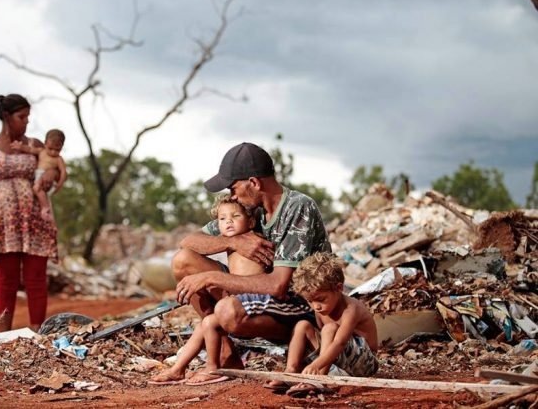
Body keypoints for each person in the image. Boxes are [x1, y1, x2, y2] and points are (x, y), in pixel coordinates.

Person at [172, 142, 332, 380]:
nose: (231, 196)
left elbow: (278, 285)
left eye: (234, 188)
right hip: (259, 300)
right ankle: (228, 356)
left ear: (255, 183)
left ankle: (242, 325)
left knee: (226, 311)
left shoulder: (298, 208)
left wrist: (211, 277)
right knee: (183, 261)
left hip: (299, 308)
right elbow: (189, 241)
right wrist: (232, 242)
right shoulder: (248, 209)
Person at [0, 94, 58, 332]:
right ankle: (2, 337)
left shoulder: (35, 145)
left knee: (36, 279)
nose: (26, 121)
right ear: (7, 117)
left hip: (35, 221)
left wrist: (50, 175)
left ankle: (38, 334)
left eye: (28, 116)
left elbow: (54, 167)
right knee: (6, 281)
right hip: (3, 225)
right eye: (21, 117)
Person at [150, 195, 263, 385]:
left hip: (250, 303)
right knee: (204, 325)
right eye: (222, 219)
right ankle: (179, 368)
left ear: (251, 221)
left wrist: (218, 289)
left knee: (208, 323)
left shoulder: (252, 241)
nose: (228, 222)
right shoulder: (232, 238)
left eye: (235, 216)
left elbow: (249, 284)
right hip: (235, 296)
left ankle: (212, 367)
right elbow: (187, 242)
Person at [267, 251, 379, 396]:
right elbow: (325, 343)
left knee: (329, 328)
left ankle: (319, 379)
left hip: (365, 364)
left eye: (321, 299)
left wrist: (316, 364)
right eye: (310, 301)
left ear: (339, 288)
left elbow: (339, 342)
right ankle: (291, 372)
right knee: (303, 325)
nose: (316, 306)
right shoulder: (320, 310)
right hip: (338, 361)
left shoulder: (351, 309)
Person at [10, 129, 67, 221]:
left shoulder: (59, 159)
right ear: (45, 143)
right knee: (37, 190)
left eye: (57, 150)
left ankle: (45, 207)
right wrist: (20, 147)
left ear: (62, 147)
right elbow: (30, 149)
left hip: (46, 178)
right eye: (50, 148)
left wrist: (60, 184)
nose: (53, 152)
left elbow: (63, 172)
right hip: (38, 175)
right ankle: (43, 207)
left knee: (36, 188)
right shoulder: (42, 151)